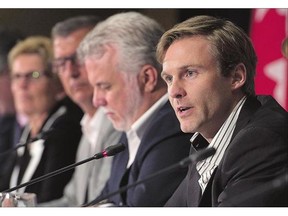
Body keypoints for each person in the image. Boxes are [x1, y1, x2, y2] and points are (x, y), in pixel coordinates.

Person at [156, 15, 288, 207]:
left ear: (236, 77)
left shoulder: (261, 140)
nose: (174, 91)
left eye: (190, 73)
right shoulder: (206, 142)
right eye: (169, 79)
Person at [77, 11, 193, 207]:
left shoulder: (176, 127)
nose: (97, 100)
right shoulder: (130, 131)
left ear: (147, 78)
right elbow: (103, 198)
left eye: (105, 87)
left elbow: (142, 206)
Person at [38, 15, 122, 207]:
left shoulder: (118, 123)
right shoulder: (87, 125)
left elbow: (103, 204)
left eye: (79, 58)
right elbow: (73, 201)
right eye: (61, 63)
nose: (71, 72)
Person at [2, 36, 83, 203]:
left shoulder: (65, 129)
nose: (22, 85)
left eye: (33, 75)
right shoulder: (28, 131)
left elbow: (52, 197)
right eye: (17, 76)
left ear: (56, 81)